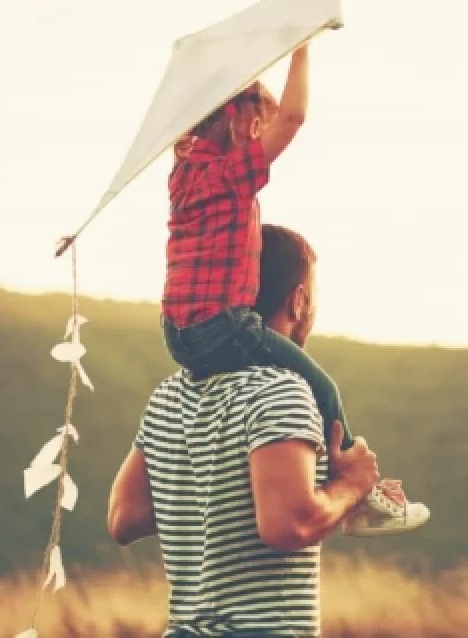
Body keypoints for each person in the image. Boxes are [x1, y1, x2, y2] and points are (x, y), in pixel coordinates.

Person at [109, 224, 429, 636]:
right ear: (298, 302)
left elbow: (124, 518)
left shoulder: (169, 395)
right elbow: (288, 526)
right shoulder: (281, 390)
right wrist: (351, 486)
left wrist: (215, 491)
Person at [160, 44, 426, 534]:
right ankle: (359, 492)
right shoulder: (228, 175)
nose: (266, 134)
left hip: (176, 333)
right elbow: (294, 118)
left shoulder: (183, 176)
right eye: (259, 125)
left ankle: (297, 471)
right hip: (221, 324)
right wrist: (299, 47)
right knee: (320, 385)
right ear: (239, 124)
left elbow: (278, 117)